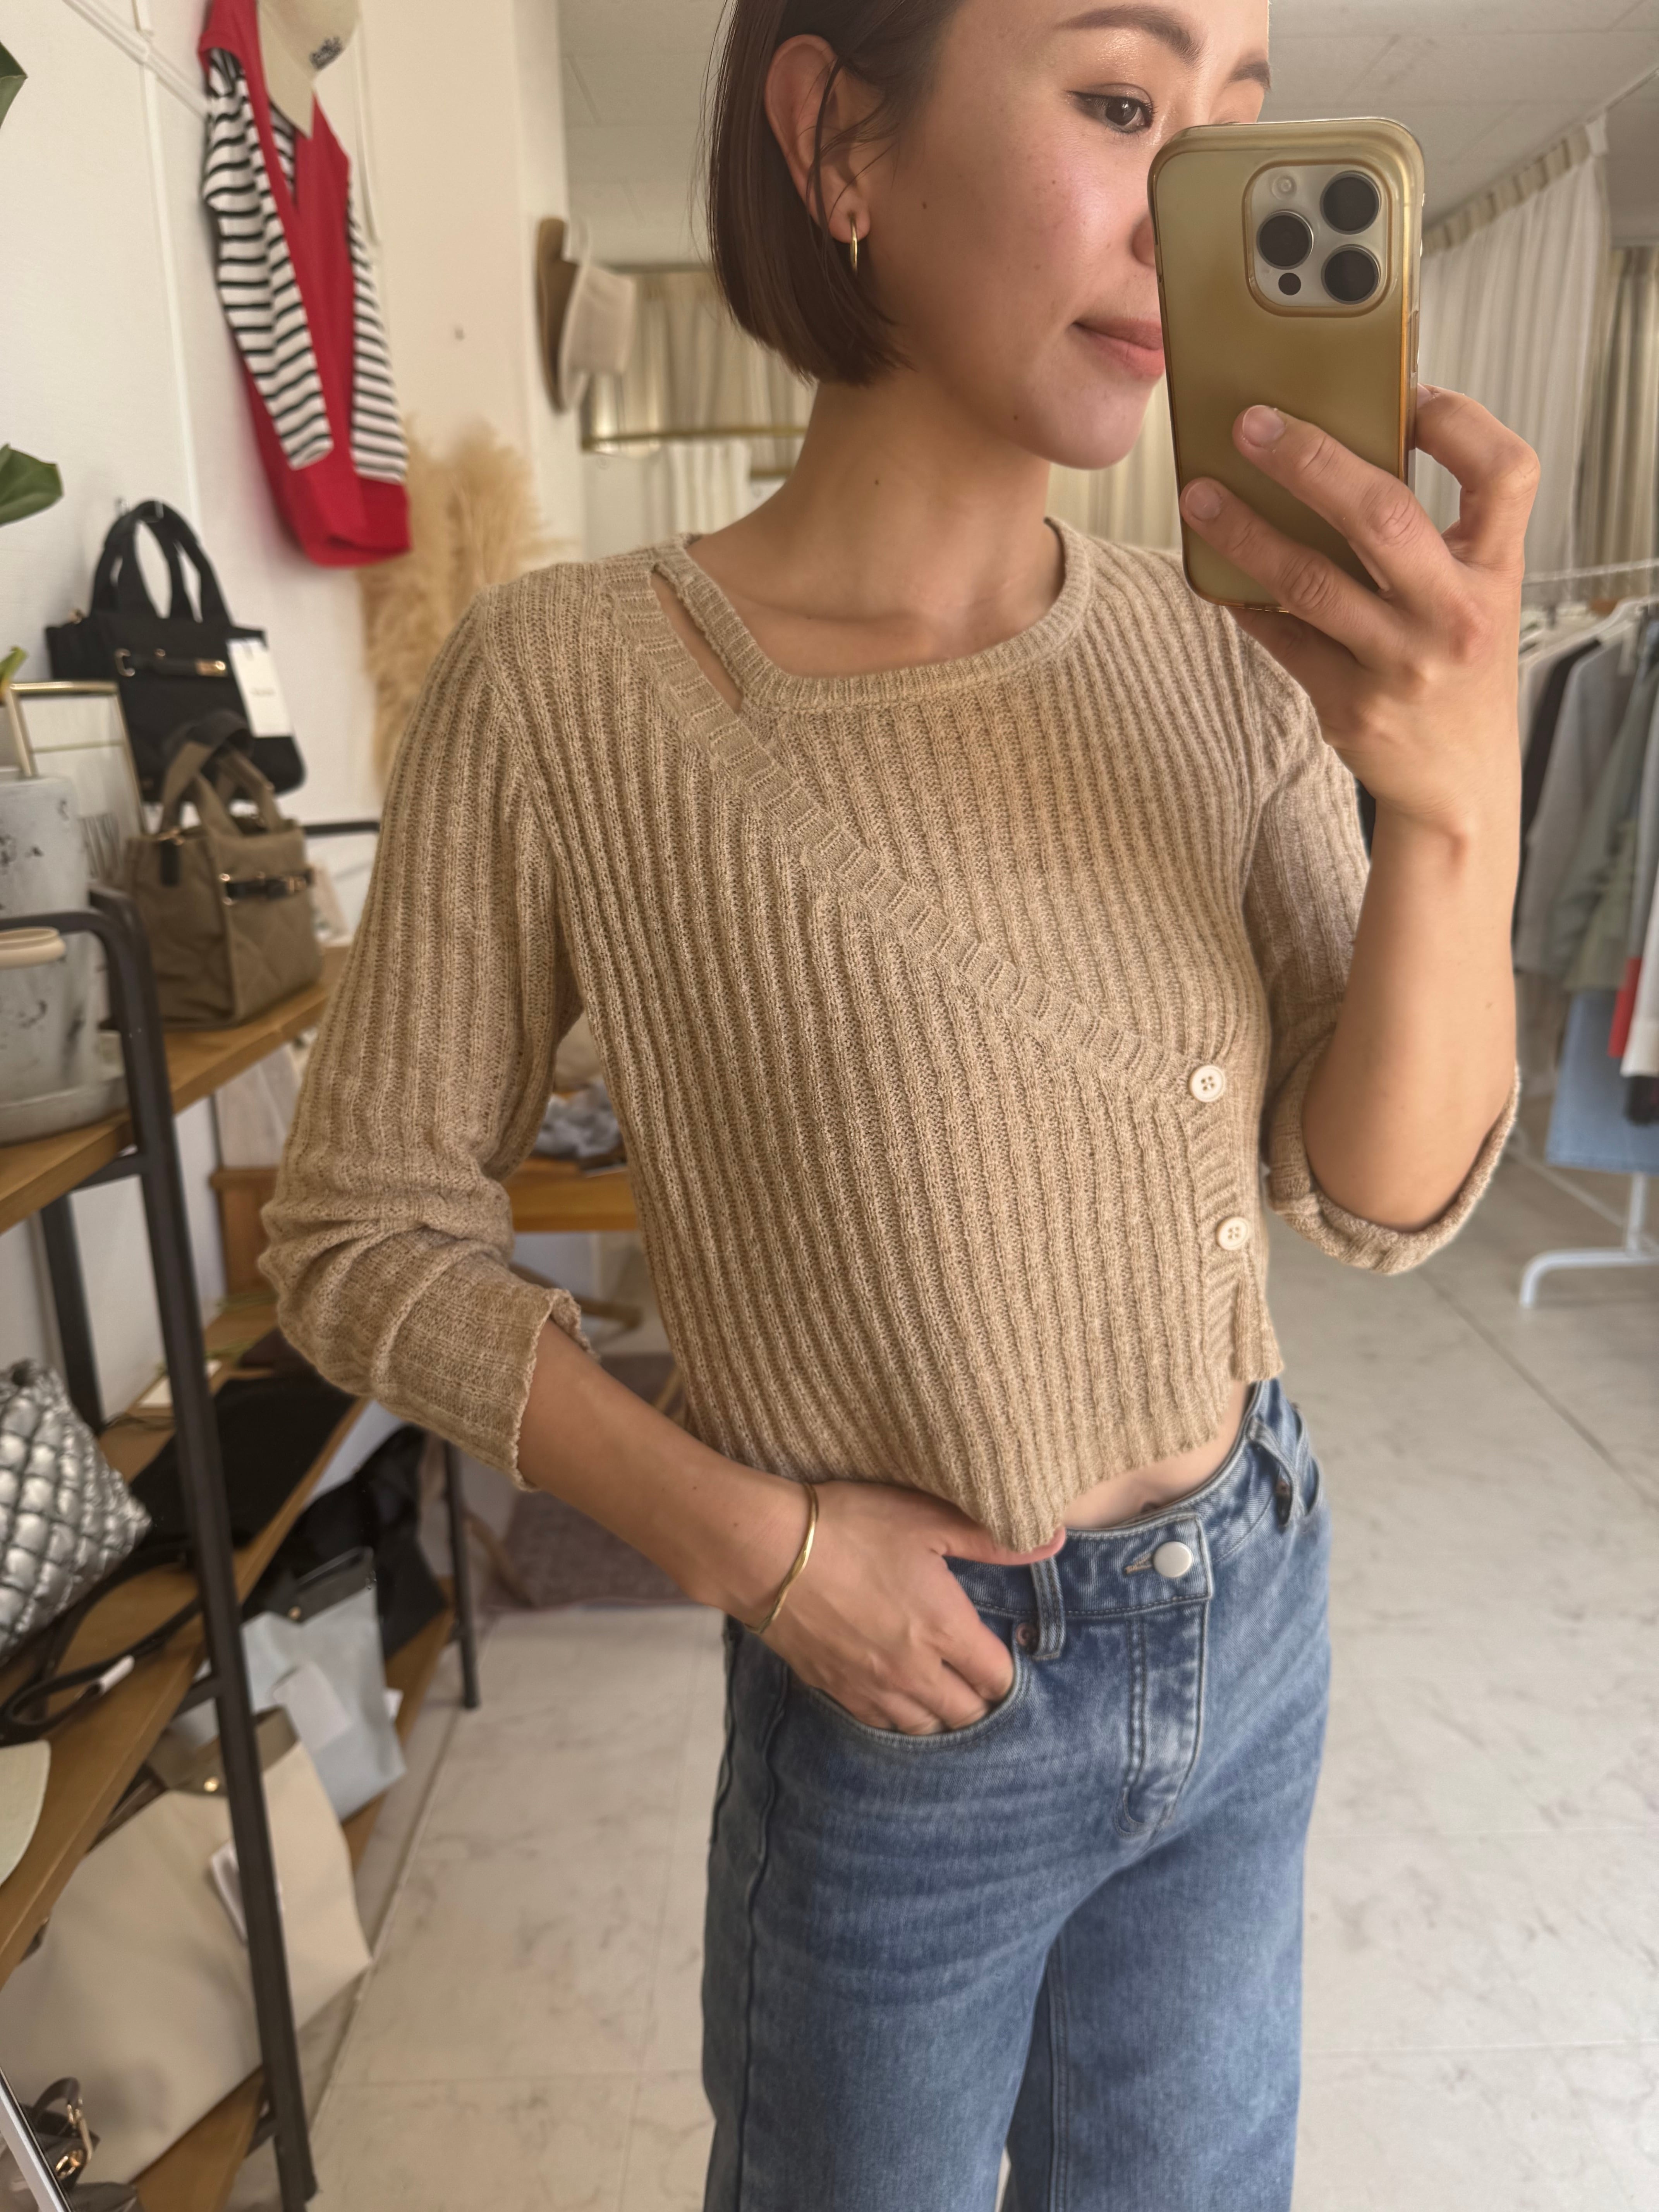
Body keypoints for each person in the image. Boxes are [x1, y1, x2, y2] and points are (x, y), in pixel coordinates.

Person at [263, 0, 1533, 2200]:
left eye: (1236, 130)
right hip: (907, 1692)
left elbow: (1379, 1194)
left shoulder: (1222, 660)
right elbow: (353, 1237)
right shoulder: (574, 688)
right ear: (839, 135)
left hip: (1253, 1604)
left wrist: (1455, 813)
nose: (1190, 215)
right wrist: (754, 1550)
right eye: (1122, 102)